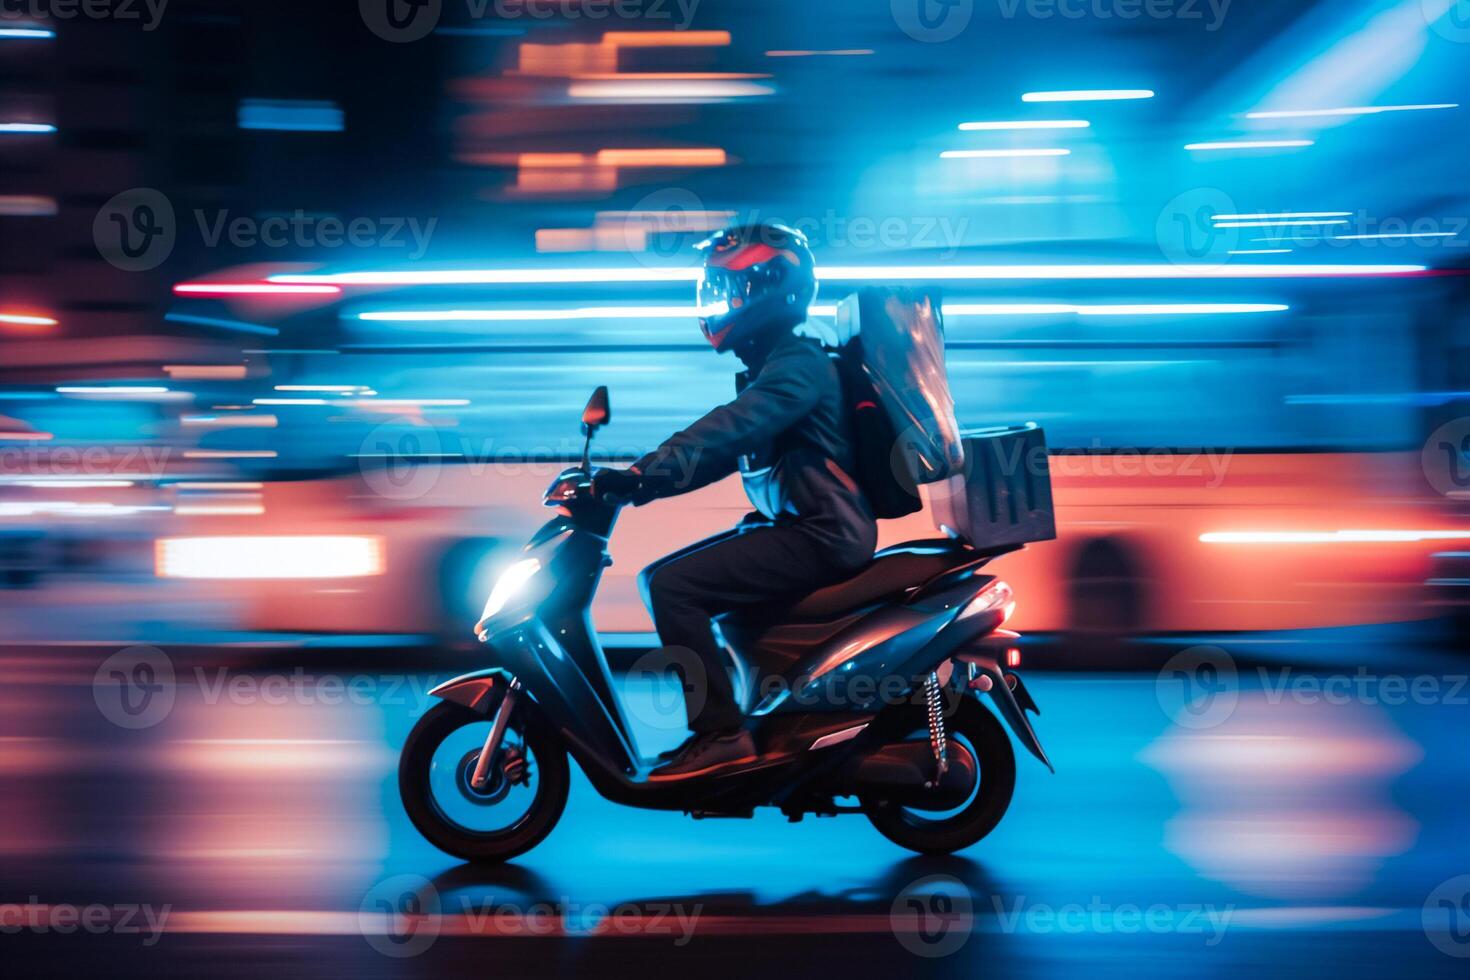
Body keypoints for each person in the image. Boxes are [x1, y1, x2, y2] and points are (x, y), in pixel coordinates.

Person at [592, 223, 878, 780]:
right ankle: (754, 720)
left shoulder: (797, 366)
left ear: (771, 290)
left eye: (729, 290)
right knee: (669, 577)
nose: (718, 304)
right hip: (810, 525)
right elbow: (725, 453)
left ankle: (721, 734)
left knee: (671, 586)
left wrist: (639, 473)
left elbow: (728, 430)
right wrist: (644, 486)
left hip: (821, 533)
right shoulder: (780, 364)